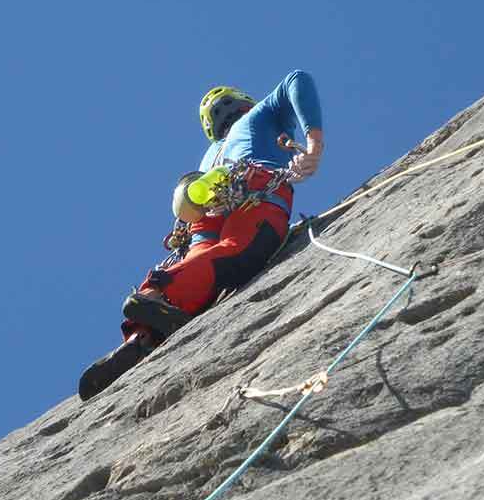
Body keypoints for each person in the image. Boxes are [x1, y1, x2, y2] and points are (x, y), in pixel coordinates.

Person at [79, 71, 325, 401]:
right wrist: (314, 141)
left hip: (204, 207)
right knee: (237, 251)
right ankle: (154, 305)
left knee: (201, 259)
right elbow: (297, 79)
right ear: (242, 103)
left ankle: (144, 327)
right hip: (254, 190)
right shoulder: (259, 114)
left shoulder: (209, 156)